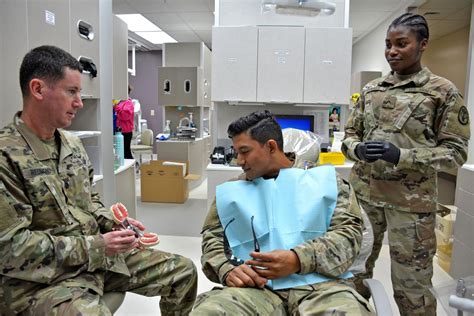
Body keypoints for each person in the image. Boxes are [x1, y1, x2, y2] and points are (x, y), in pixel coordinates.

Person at [0, 45, 197, 315]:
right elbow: (11, 249)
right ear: (38, 89)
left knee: (183, 273)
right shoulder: (6, 157)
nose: (79, 102)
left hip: (95, 259)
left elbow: (88, 202)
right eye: (72, 91)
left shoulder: (71, 145)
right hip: (41, 282)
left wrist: (116, 225)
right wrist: (98, 245)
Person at [342, 13, 470, 315]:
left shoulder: (442, 92)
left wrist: (401, 156)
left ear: (422, 44)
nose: (392, 51)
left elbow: (455, 152)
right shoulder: (372, 90)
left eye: (401, 44)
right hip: (364, 198)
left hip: (411, 207)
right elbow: (349, 136)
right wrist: (357, 149)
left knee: (412, 289)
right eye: (388, 45)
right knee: (351, 275)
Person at [192, 110, 373, 315]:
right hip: (256, 289)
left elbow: (349, 236)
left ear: (271, 146)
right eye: (236, 153)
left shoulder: (325, 183)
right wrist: (226, 269)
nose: (238, 161)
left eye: (244, 151)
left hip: (322, 287)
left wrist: (298, 259)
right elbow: (212, 241)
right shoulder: (232, 192)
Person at [114, 85, 135, 159]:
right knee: (121, 152)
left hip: (126, 132)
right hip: (119, 131)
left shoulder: (128, 103)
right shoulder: (120, 102)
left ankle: (132, 167)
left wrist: (116, 106)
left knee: (126, 152)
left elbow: (125, 116)